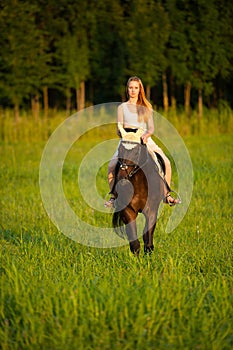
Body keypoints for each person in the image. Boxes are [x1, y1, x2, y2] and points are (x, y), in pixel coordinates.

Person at [104, 76, 181, 208]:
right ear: (127, 89)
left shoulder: (146, 106)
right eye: (130, 87)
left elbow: (151, 128)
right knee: (111, 166)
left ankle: (166, 195)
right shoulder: (122, 107)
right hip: (127, 140)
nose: (133, 90)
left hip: (143, 138)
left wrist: (146, 136)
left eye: (136, 88)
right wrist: (122, 134)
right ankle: (114, 196)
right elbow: (119, 127)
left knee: (166, 162)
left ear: (140, 89)